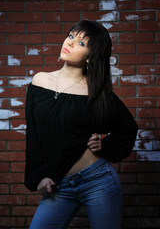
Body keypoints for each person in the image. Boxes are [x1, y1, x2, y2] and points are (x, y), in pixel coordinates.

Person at [25, 20, 138, 229]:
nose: (70, 43)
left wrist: (106, 145)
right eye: (71, 36)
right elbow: (33, 134)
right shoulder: (39, 81)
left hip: (97, 181)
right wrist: (39, 175)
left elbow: (127, 128)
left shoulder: (96, 93)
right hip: (60, 185)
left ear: (90, 57)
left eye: (81, 43)